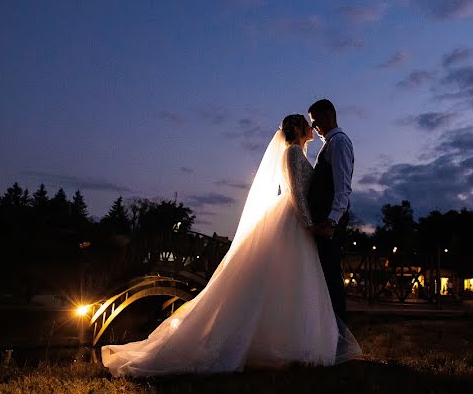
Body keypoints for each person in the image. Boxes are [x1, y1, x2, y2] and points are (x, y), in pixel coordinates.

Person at [101, 114, 361, 377]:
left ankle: (295, 342)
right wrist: (308, 224)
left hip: (296, 220)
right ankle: (291, 345)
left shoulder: (298, 152)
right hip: (295, 220)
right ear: (296, 129)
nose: (311, 128)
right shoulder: (293, 153)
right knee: (289, 280)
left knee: (290, 282)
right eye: (307, 125)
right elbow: (294, 192)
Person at [306, 99, 354, 321]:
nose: (314, 128)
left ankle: (338, 337)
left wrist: (331, 222)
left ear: (328, 117)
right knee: (325, 278)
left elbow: (343, 187)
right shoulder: (331, 143)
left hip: (329, 224)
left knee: (332, 279)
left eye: (315, 122)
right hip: (325, 221)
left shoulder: (340, 143)